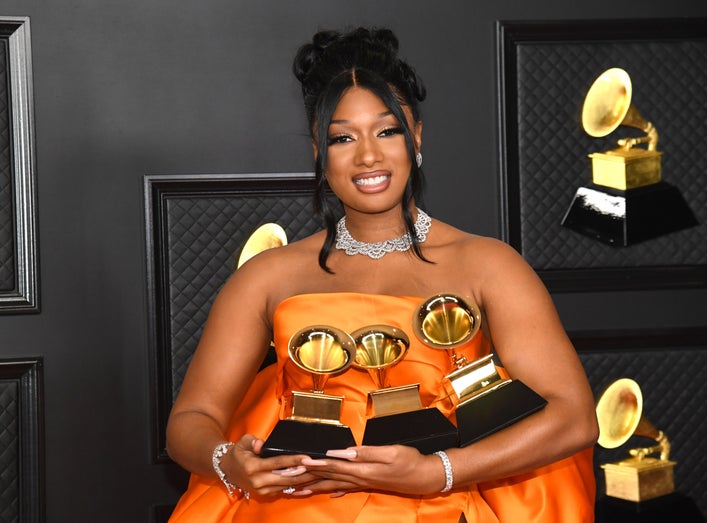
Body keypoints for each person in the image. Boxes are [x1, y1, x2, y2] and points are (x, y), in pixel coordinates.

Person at [166, 27, 599, 522]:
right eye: (342, 137)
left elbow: (575, 418)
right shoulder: (267, 278)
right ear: (317, 151)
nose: (368, 155)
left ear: (416, 137)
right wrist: (230, 463)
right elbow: (190, 421)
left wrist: (440, 471)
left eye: (387, 130)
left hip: (443, 502)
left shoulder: (488, 264)